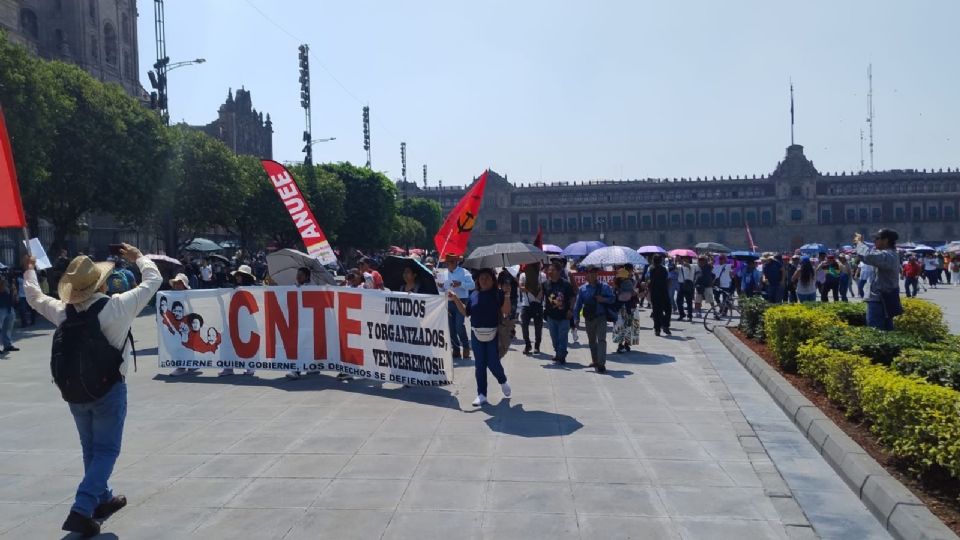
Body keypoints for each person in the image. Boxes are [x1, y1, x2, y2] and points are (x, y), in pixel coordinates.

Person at [22, 244, 161, 537]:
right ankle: (82, 508)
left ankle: (102, 498)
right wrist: (138, 258)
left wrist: (30, 269)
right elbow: (154, 280)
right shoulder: (118, 306)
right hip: (109, 389)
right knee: (107, 450)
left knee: (91, 448)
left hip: (75, 391)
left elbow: (34, 297)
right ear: (101, 282)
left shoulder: (63, 311)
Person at [448, 268, 511, 406]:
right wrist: (455, 299)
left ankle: (503, 380)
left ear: (493, 280)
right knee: (480, 365)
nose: (484, 280)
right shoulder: (474, 295)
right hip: (476, 334)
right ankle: (481, 394)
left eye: (487, 278)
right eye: (481, 278)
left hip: (493, 333)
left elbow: (506, 311)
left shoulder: (498, 294)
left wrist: (506, 295)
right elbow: (466, 312)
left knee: (493, 362)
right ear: (477, 281)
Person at [855, 229, 901, 331]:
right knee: (886, 331)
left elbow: (868, 256)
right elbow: (868, 257)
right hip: (882, 299)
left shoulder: (889, 255)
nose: (874, 241)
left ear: (886, 240)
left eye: (877, 238)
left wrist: (859, 243)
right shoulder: (888, 254)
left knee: (876, 331)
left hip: (880, 300)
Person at [573, 267, 616, 373]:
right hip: (589, 319)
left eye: (594, 273)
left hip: (601, 317)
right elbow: (578, 305)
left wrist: (603, 299)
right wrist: (576, 318)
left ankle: (601, 364)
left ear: (597, 275)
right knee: (592, 341)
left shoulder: (604, 287)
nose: (592, 276)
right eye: (589, 274)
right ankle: (595, 360)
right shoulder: (583, 289)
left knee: (601, 340)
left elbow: (613, 299)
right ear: (586, 275)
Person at [220, 266, 257, 376]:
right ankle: (228, 367)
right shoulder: (233, 288)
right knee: (227, 342)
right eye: (237, 275)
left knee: (246, 343)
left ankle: (250, 366)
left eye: (239, 275)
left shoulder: (253, 289)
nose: (237, 278)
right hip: (232, 320)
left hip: (246, 321)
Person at [438, 253, 474, 360]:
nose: (450, 264)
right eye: (448, 262)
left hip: (461, 300)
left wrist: (461, 284)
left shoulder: (464, 272)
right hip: (448, 301)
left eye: (452, 262)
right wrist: (440, 287)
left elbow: (472, 285)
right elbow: (442, 290)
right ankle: (456, 349)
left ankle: (466, 346)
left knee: (459, 325)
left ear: (456, 262)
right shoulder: (444, 274)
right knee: (451, 327)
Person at [166, 274, 202, 377]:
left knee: (188, 345)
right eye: (176, 283)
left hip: (188, 323)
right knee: (178, 345)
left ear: (184, 285)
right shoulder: (170, 295)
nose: (177, 285)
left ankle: (184, 366)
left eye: (180, 283)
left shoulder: (189, 295)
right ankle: (183, 365)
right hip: (176, 325)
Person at [543, 260, 575, 364]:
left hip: (564, 316)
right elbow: (539, 297)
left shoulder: (566, 284)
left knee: (563, 336)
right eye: (548, 270)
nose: (549, 272)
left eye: (551, 270)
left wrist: (571, 310)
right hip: (551, 316)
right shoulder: (545, 284)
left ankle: (561, 355)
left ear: (558, 271)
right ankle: (558, 353)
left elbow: (572, 297)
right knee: (554, 338)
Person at [518, 262, 546, 355]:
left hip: (538, 305)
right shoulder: (523, 275)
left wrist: (540, 293)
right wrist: (532, 289)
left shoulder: (542, 275)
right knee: (524, 325)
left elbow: (544, 288)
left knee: (538, 327)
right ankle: (527, 344)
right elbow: (521, 287)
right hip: (526, 305)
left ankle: (537, 345)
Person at [613, 265, 639, 353]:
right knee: (629, 326)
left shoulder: (616, 281)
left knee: (620, 326)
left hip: (619, 307)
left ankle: (620, 344)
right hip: (629, 307)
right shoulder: (630, 281)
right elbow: (634, 294)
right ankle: (626, 344)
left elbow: (614, 293)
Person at [496, 270, 518, 359]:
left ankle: (511, 329)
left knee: (510, 315)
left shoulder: (514, 274)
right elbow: (498, 285)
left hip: (512, 297)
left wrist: (515, 278)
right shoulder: (501, 274)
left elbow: (517, 285)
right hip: (503, 296)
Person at [648, 254, 671, 336]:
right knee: (668, 309)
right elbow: (668, 280)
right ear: (661, 261)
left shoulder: (650, 269)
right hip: (664, 292)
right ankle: (665, 325)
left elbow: (648, 280)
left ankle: (657, 329)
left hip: (654, 292)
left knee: (656, 311)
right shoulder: (665, 269)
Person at [675, 257, 696, 322]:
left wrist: (683, 262)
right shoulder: (680, 266)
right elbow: (674, 268)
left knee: (689, 302)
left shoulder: (693, 265)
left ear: (689, 259)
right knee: (678, 301)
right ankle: (682, 314)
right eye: (683, 258)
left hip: (688, 284)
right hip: (681, 285)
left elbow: (688, 266)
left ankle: (690, 316)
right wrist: (675, 261)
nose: (684, 260)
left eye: (686, 258)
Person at [0, 277, 17, 354]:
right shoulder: (2, 279)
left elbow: (11, 293)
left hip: (8, 306)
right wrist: (3, 282)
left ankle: (7, 345)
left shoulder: (7, 278)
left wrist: (13, 289)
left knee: (8, 327)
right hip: (1, 307)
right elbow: (1, 289)